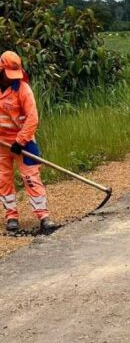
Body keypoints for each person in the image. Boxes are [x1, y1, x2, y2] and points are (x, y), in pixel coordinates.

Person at [0, 51, 54, 232]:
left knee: (31, 178)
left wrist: (20, 141)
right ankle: (11, 216)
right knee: (3, 179)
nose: (11, 78)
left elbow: (32, 118)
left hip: (24, 142)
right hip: (1, 143)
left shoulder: (23, 89)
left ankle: (44, 216)